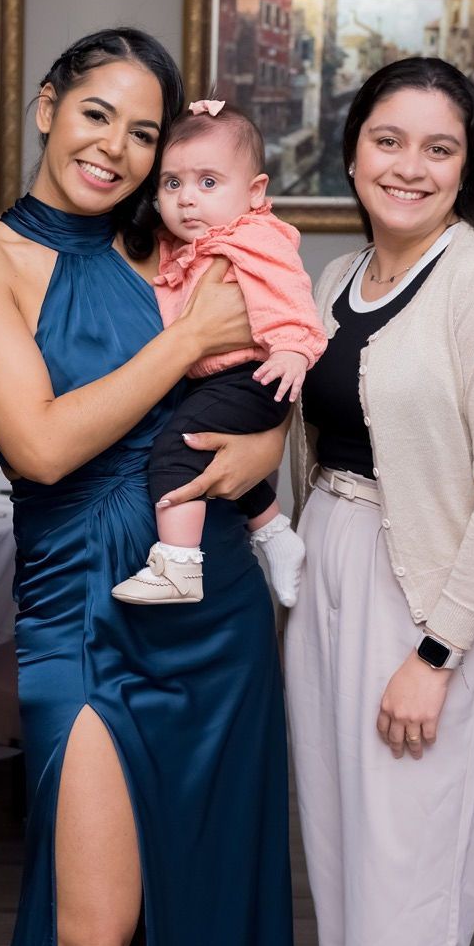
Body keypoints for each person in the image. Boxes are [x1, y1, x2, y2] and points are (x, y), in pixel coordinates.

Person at [0, 29, 294, 946]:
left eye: (143, 134)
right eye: (97, 114)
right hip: (85, 611)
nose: (115, 149)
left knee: (212, 902)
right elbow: (41, 447)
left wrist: (269, 442)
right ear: (47, 106)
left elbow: (263, 366)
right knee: (90, 938)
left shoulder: (180, 240)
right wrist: (185, 343)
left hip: (215, 603)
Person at [285, 56, 474, 946]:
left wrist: (435, 656)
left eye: (439, 148)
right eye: (388, 140)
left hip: (431, 591)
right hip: (327, 560)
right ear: (352, 153)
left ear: (467, 164)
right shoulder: (336, 276)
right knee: (337, 845)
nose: (409, 166)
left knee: (409, 863)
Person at [110, 99, 324, 609]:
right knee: (214, 452)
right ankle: (275, 533)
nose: (187, 199)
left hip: (258, 374)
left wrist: (292, 350)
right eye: (172, 183)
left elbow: (290, 292)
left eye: (208, 182)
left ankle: (179, 564)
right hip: (218, 377)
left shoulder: (254, 238)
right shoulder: (184, 241)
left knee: (177, 450)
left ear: (255, 192)